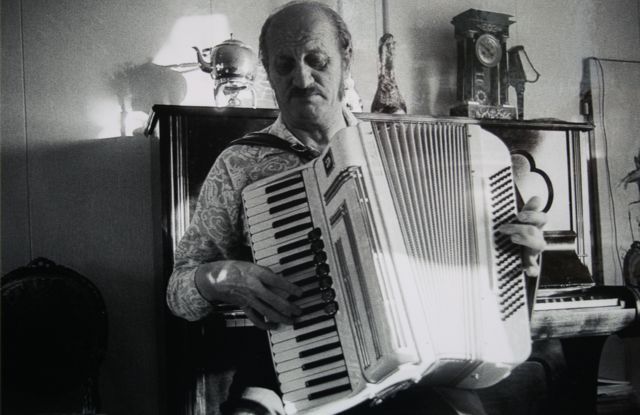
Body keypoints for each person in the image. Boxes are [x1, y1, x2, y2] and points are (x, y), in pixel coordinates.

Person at [166, 1, 547, 414]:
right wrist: (218, 278)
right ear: (268, 72)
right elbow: (178, 293)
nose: (302, 78)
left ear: (346, 59)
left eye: (317, 60)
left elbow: (477, 279)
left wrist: (518, 261)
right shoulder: (240, 164)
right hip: (289, 371)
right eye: (284, 65)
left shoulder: (407, 150)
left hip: (411, 373)